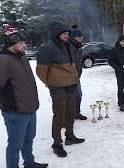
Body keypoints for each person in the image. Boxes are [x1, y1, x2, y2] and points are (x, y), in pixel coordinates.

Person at [0, 25, 48, 168]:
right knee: (14, 145)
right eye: (21, 43)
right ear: (11, 44)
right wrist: (7, 105)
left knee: (29, 139)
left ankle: (29, 163)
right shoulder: (2, 61)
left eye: (24, 42)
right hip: (15, 112)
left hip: (30, 108)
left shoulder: (22, 57)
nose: (24, 45)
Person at [36, 21, 85, 158]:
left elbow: (74, 63)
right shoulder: (47, 48)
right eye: (64, 33)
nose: (67, 35)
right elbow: (41, 71)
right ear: (57, 34)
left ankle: (69, 136)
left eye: (68, 33)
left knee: (70, 112)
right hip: (57, 88)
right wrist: (50, 83)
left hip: (71, 85)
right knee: (59, 115)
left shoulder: (68, 45)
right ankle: (57, 143)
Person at [69, 25, 87, 120]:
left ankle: (77, 113)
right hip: (68, 76)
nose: (82, 38)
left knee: (78, 95)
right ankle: (69, 116)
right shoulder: (68, 47)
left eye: (82, 36)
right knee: (70, 97)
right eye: (80, 36)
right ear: (74, 37)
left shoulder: (78, 46)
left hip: (76, 76)